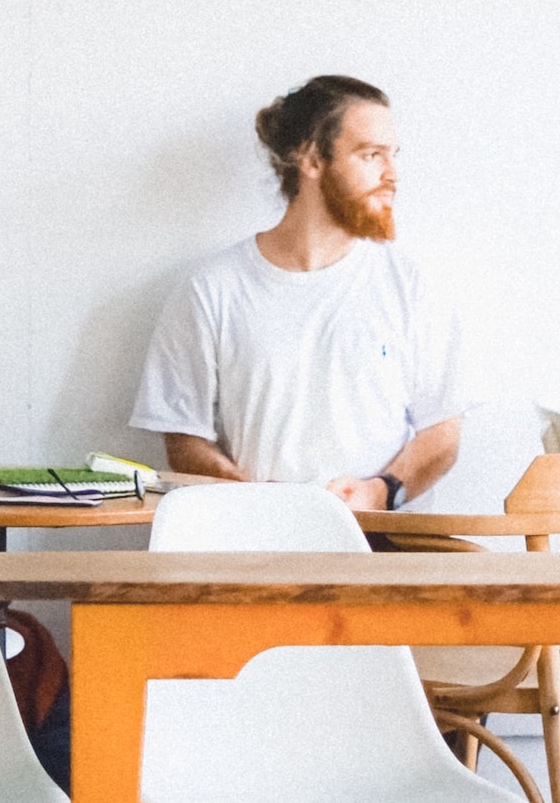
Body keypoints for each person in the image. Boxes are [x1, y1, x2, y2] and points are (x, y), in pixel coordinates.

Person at [128, 75, 463, 511]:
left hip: (384, 552)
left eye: (393, 155)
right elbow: (184, 440)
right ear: (310, 159)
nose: (392, 174)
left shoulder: (411, 285)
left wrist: (379, 492)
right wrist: (256, 499)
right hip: (256, 552)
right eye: (371, 155)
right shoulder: (213, 290)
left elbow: (442, 433)